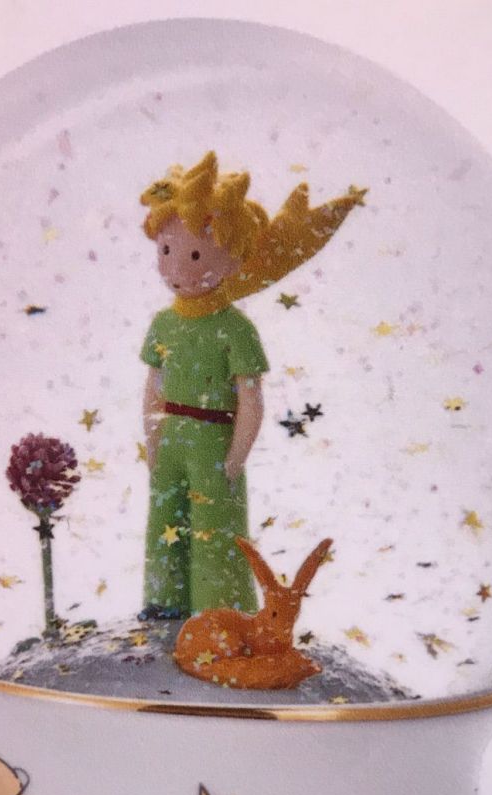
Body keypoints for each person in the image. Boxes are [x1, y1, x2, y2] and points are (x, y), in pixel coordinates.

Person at [137, 150, 365, 620]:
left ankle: (219, 615)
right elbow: (153, 387)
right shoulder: (163, 324)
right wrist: (153, 439)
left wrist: (237, 454)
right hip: (172, 440)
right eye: (166, 251)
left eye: (194, 255)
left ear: (233, 258)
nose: (177, 268)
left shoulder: (234, 329)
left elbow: (250, 399)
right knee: (164, 519)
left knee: (215, 527)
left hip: (214, 442)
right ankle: (164, 603)